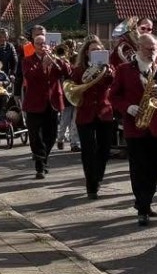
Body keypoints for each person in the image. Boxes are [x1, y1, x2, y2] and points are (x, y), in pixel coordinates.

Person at [110, 32, 157, 226]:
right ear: (138, 49)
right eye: (148, 49)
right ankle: (143, 207)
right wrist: (127, 107)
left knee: (154, 168)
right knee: (138, 168)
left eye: (154, 49)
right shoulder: (124, 69)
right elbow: (114, 96)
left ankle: (145, 201)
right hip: (135, 126)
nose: (153, 52)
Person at [68, 36, 117, 199]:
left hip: (104, 112)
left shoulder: (108, 67)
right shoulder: (79, 70)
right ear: (87, 53)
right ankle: (91, 186)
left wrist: (109, 73)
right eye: (92, 50)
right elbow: (74, 87)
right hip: (85, 113)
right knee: (88, 151)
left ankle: (98, 175)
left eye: (98, 50)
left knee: (104, 149)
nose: (96, 52)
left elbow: (112, 84)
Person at [22, 34, 68, 179]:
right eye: (39, 44)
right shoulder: (27, 60)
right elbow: (29, 76)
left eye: (44, 44)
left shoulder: (55, 58)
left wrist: (61, 61)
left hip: (52, 102)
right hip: (34, 103)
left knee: (51, 135)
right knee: (35, 136)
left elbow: (68, 73)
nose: (42, 46)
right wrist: (43, 65)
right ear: (33, 46)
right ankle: (40, 166)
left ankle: (42, 159)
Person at [53, 43, 81, 153]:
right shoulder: (65, 65)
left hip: (76, 97)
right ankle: (60, 139)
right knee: (64, 121)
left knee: (75, 122)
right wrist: (64, 62)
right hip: (66, 97)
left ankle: (74, 143)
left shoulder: (77, 68)